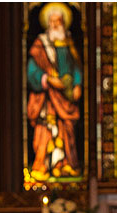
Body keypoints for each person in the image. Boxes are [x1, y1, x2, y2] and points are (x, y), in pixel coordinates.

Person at [27, 2, 83, 184]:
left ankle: (65, 165)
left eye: (59, 21)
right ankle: (42, 166)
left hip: (65, 97)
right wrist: (47, 79)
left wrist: (76, 84)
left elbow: (76, 68)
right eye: (52, 21)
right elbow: (31, 70)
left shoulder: (68, 44)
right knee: (45, 129)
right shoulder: (40, 44)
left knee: (66, 130)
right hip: (46, 98)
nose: (55, 24)